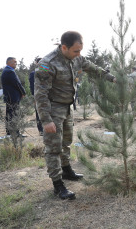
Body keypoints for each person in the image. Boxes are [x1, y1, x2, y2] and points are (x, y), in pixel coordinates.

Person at [34, 31, 116, 200]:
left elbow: (93, 68)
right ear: (64, 47)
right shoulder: (47, 64)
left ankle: (67, 170)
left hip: (67, 108)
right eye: (76, 51)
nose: (79, 54)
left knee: (66, 143)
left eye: (80, 50)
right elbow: (40, 94)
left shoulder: (76, 59)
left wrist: (113, 78)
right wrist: (46, 120)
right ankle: (57, 185)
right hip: (53, 110)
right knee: (53, 148)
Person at [1, 57, 26, 136]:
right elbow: (17, 84)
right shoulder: (10, 71)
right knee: (13, 114)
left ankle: (10, 132)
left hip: (11, 96)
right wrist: (23, 92)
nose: (16, 63)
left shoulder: (7, 71)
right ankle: (14, 132)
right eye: (14, 62)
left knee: (10, 114)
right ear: (9, 63)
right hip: (13, 97)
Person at [29, 57, 44, 136]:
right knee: (39, 113)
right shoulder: (33, 74)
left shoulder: (47, 72)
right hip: (38, 96)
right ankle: (41, 130)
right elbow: (32, 87)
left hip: (48, 96)